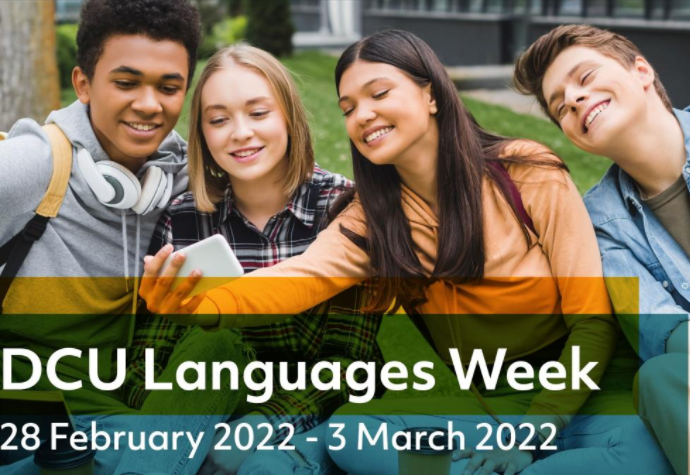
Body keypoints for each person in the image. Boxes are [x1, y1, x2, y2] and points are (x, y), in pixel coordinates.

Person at [141, 30, 672, 474]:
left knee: (642, 455)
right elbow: (300, 275)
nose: (362, 115)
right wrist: (206, 304)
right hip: (489, 407)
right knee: (350, 435)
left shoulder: (525, 172)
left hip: (585, 393)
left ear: (431, 94)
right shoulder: (372, 217)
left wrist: (533, 431)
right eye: (349, 107)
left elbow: (593, 323)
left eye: (379, 93)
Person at [0, 1, 238, 474]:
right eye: (126, 83)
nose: (150, 104)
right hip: (22, 415)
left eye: (169, 87)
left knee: (222, 357)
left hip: (109, 410)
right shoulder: (31, 166)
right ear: (83, 84)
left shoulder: (179, 179)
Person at [134, 44, 382, 475]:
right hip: (197, 411)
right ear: (203, 134)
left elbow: (349, 367)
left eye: (258, 113)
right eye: (219, 120)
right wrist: (192, 422)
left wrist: (255, 427)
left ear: (288, 116)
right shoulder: (184, 217)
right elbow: (145, 365)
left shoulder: (345, 209)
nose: (240, 133)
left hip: (307, 419)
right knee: (215, 342)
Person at [514, 24, 688, 475]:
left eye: (585, 78)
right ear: (574, 137)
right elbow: (660, 328)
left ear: (642, 71)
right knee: (660, 377)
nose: (572, 99)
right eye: (560, 107)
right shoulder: (597, 225)